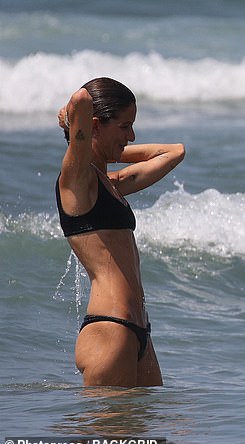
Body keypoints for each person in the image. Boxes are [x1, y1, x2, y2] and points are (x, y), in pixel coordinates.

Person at [56, 77, 185, 387]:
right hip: (110, 330)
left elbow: (174, 152)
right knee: (109, 437)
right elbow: (81, 100)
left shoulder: (110, 183)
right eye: (125, 126)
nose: (132, 135)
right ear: (96, 125)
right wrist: (75, 127)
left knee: (150, 436)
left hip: (139, 333)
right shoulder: (77, 181)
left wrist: (108, 149)